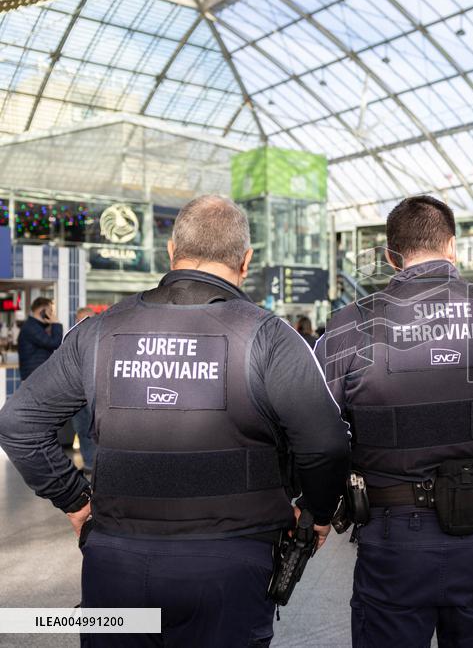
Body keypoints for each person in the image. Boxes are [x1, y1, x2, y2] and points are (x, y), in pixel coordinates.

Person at [0, 195, 352, 646]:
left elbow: (17, 423)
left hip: (116, 566)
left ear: (171, 251)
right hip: (230, 567)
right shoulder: (270, 337)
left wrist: (74, 500)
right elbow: (326, 444)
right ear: (246, 261)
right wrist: (316, 515)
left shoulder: (98, 332)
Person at [318, 195, 473, 647]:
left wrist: (317, 511)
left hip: (391, 535)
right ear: (453, 247)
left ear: (389, 256)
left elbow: (320, 433)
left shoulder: (349, 324)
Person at [69, 306, 96, 472]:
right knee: (82, 429)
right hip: (76, 393)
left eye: (86, 320)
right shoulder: (70, 339)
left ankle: (101, 467)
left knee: (97, 431)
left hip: (95, 393)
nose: (81, 324)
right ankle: (89, 464)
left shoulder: (102, 338)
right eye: (79, 320)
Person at [17, 296, 63, 380]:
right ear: (42, 311)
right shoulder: (31, 327)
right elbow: (55, 343)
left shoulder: (36, 326)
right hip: (34, 375)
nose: (52, 314)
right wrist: (56, 323)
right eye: (50, 311)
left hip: (36, 374)